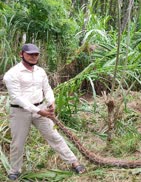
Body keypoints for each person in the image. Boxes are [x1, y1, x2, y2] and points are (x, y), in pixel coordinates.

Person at [3, 43, 85, 180]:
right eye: (30, 54)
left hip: (40, 108)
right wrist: (39, 111)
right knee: (18, 143)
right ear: (21, 54)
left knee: (54, 136)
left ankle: (73, 162)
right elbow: (17, 97)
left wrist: (51, 102)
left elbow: (47, 88)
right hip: (20, 112)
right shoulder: (11, 74)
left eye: (36, 54)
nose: (34, 57)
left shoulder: (40, 71)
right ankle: (14, 170)